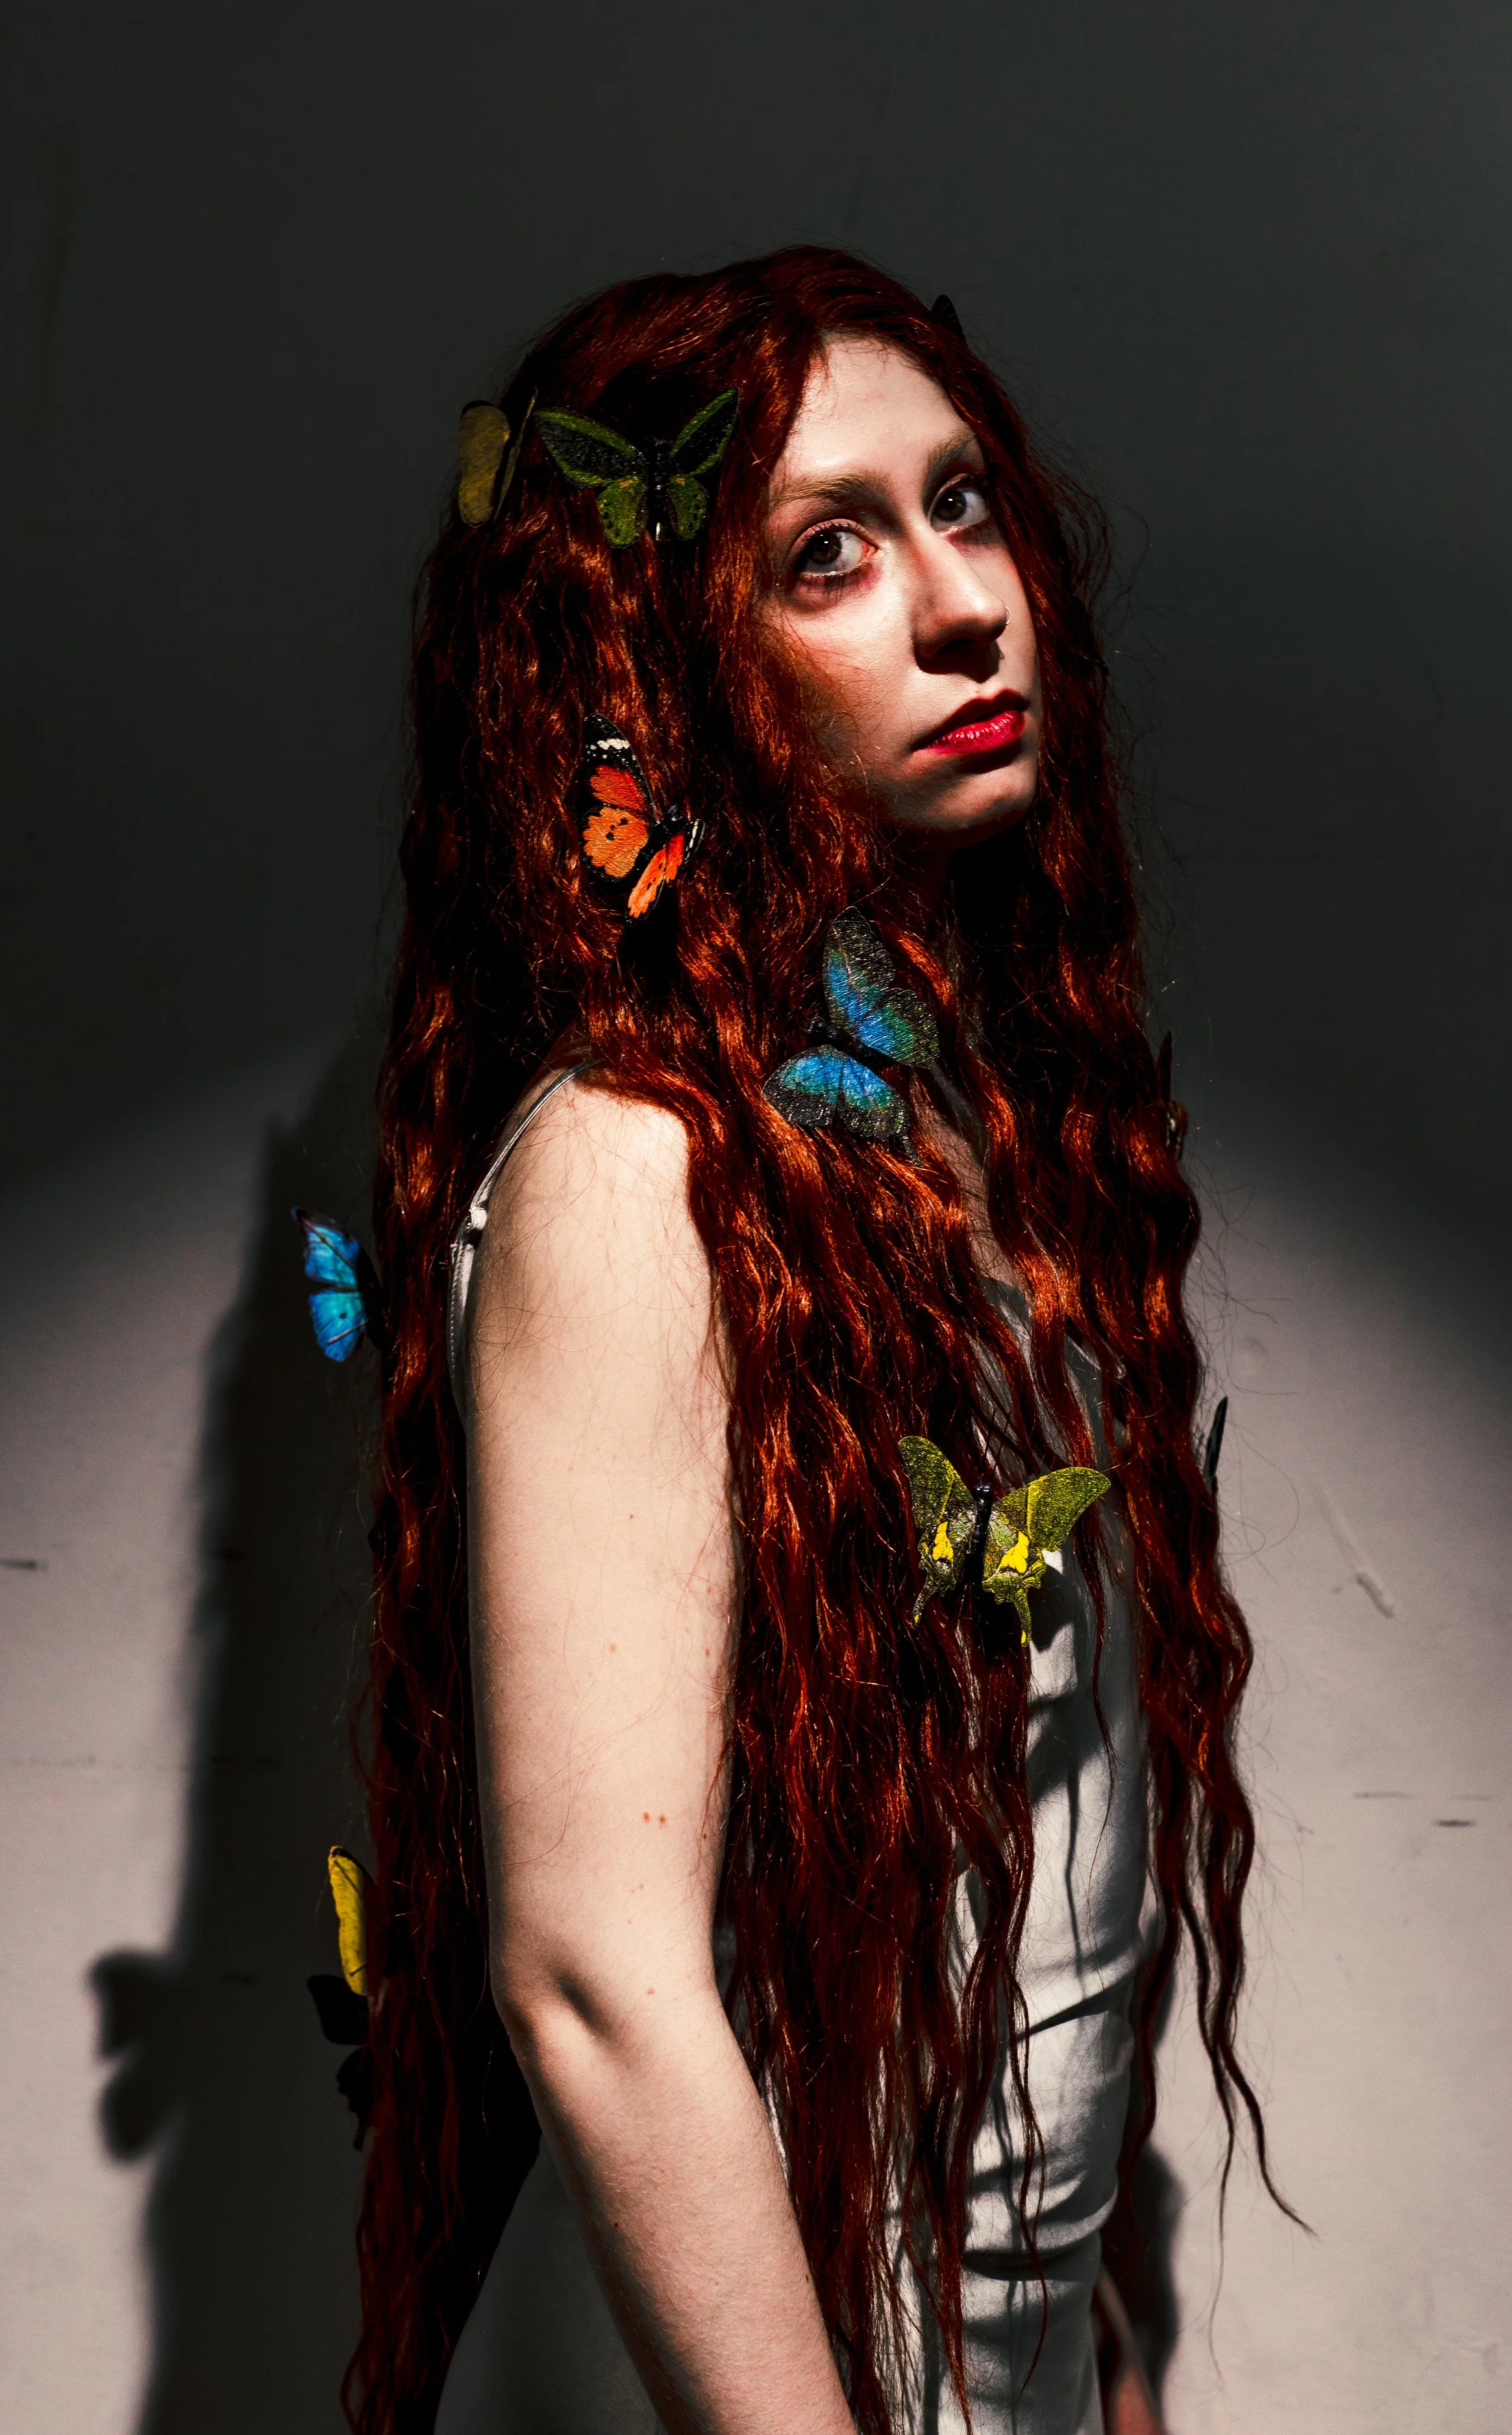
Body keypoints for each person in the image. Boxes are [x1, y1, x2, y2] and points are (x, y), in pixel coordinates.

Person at [354, 247, 1278, 2435]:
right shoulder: (631, 1163)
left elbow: (1047, 1870)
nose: (962, 601)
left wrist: (1106, 2370)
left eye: (963, 505)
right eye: (830, 554)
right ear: (668, 670)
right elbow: (592, 1980)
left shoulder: (970, 1129)